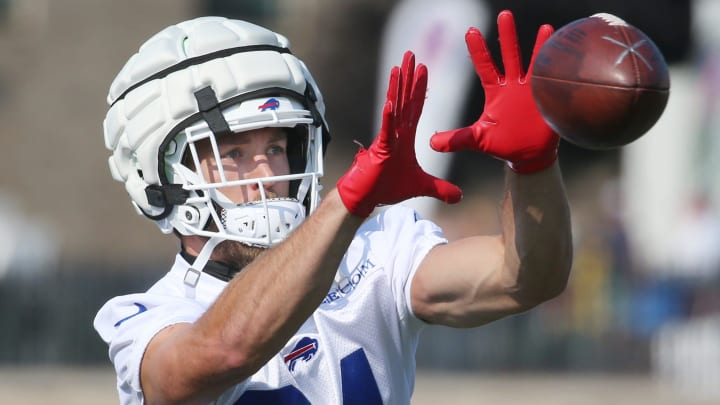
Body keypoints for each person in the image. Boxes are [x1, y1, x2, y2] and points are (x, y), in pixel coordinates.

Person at [94, 10, 572, 405]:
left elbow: (525, 277)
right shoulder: (144, 316)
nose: (267, 175)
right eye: (235, 154)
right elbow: (218, 355)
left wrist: (531, 167)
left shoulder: (376, 249)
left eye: (277, 148)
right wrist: (345, 204)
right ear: (163, 176)